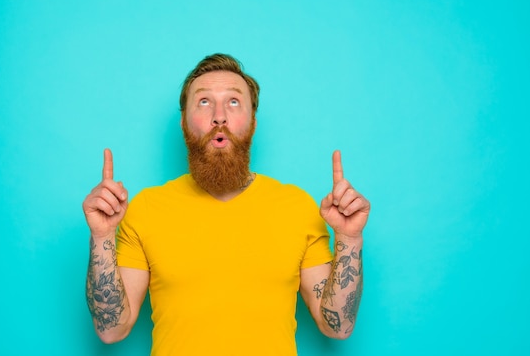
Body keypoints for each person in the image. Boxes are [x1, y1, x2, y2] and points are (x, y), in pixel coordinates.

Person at [82, 53, 370, 355]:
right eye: (204, 102)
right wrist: (102, 237)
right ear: (183, 123)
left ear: (253, 123)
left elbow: (337, 326)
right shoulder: (145, 209)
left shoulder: (297, 207)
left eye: (233, 102)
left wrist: (349, 239)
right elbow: (112, 329)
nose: (219, 116)